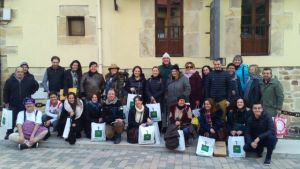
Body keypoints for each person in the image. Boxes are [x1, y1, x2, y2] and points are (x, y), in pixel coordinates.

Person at [3, 67, 39, 139]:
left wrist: (30, 92)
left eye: (21, 72)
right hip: (13, 103)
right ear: (15, 72)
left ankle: (24, 132)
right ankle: (9, 133)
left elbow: (36, 86)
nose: (20, 73)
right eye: (18, 72)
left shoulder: (29, 80)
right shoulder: (9, 81)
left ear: (23, 73)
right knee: (12, 119)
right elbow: (5, 91)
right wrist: (6, 101)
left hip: (25, 104)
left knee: (24, 118)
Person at [165, 64, 191, 129]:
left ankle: (182, 132)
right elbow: (166, 89)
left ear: (178, 71)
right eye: (172, 71)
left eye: (175, 71)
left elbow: (188, 89)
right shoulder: (169, 79)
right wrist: (166, 97)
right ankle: (171, 131)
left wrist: (182, 98)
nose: (174, 72)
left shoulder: (184, 78)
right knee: (171, 118)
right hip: (170, 102)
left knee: (181, 118)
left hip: (180, 103)